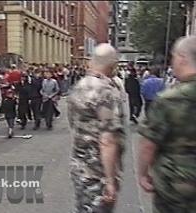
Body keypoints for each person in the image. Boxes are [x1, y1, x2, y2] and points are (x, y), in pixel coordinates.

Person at [138, 36, 196, 213]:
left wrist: (142, 173)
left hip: (177, 184)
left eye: (173, 57)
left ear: (182, 58)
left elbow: (149, 145)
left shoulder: (170, 99)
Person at [67, 44, 125, 212]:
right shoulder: (106, 92)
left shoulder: (78, 87)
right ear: (113, 66)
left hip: (79, 164)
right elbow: (108, 140)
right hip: (97, 170)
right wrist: (110, 180)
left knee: (83, 207)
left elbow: (73, 124)